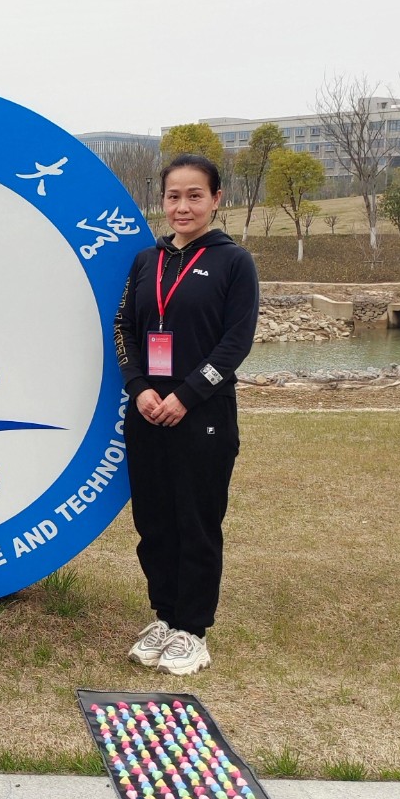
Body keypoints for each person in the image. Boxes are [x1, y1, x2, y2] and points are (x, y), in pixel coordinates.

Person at [113, 153, 259, 675]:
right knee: (154, 523)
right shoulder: (145, 262)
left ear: (216, 199)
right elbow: (124, 329)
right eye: (174, 196)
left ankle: (192, 631)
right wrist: (138, 388)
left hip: (203, 414)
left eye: (195, 195)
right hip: (148, 410)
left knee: (196, 522)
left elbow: (235, 343)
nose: (183, 206)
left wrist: (187, 395)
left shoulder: (234, 262)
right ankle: (165, 616)